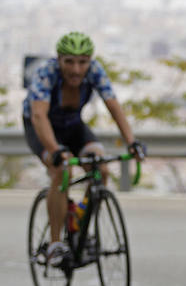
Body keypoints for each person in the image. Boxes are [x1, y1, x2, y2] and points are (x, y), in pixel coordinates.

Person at [24, 31, 144, 268]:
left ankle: (80, 220)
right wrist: (55, 150)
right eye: (69, 61)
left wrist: (131, 141)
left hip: (73, 125)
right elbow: (39, 116)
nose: (76, 69)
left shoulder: (95, 71)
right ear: (59, 60)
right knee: (61, 171)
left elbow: (114, 106)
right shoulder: (46, 73)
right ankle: (55, 244)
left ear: (90, 61)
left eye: (82, 62)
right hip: (42, 127)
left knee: (102, 170)